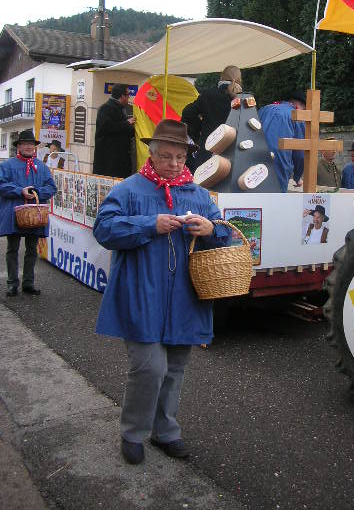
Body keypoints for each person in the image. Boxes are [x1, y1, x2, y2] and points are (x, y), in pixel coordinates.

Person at [92, 119, 231, 466]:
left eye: (179, 157)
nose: (173, 163)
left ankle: (165, 431)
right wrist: (148, 225)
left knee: (175, 368)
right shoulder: (128, 190)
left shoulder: (199, 195)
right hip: (140, 295)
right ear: (151, 155)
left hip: (185, 298)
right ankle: (133, 432)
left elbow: (225, 235)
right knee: (149, 368)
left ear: (187, 158)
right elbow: (104, 229)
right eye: (165, 156)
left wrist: (212, 228)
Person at [0, 129, 56, 297]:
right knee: (12, 248)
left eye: (31, 144)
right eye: (25, 144)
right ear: (19, 146)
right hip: (14, 212)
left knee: (32, 249)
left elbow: (52, 187)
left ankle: (28, 283)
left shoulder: (42, 167)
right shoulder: (7, 166)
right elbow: (1, 185)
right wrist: (19, 191)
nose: (29, 147)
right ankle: (12, 283)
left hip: (35, 214)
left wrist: (36, 191)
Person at [181, 65, 243, 171]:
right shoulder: (245, 99)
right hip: (234, 152)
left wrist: (200, 128)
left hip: (208, 148)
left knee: (203, 184)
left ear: (221, 78)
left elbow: (187, 112)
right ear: (240, 80)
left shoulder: (208, 95)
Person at [258, 90, 306, 192]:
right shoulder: (297, 115)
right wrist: (297, 176)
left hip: (255, 163)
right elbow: (300, 153)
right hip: (279, 167)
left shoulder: (264, 109)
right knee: (275, 203)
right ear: (299, 104)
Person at [93, 84, 136, 178]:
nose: (129, 97)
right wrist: (127, 124)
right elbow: (107, 127)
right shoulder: (106, 108)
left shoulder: (120, 109)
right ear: (122, 96)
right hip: (109, 161)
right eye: (128, 95)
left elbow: (122, 130)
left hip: (119, 160)